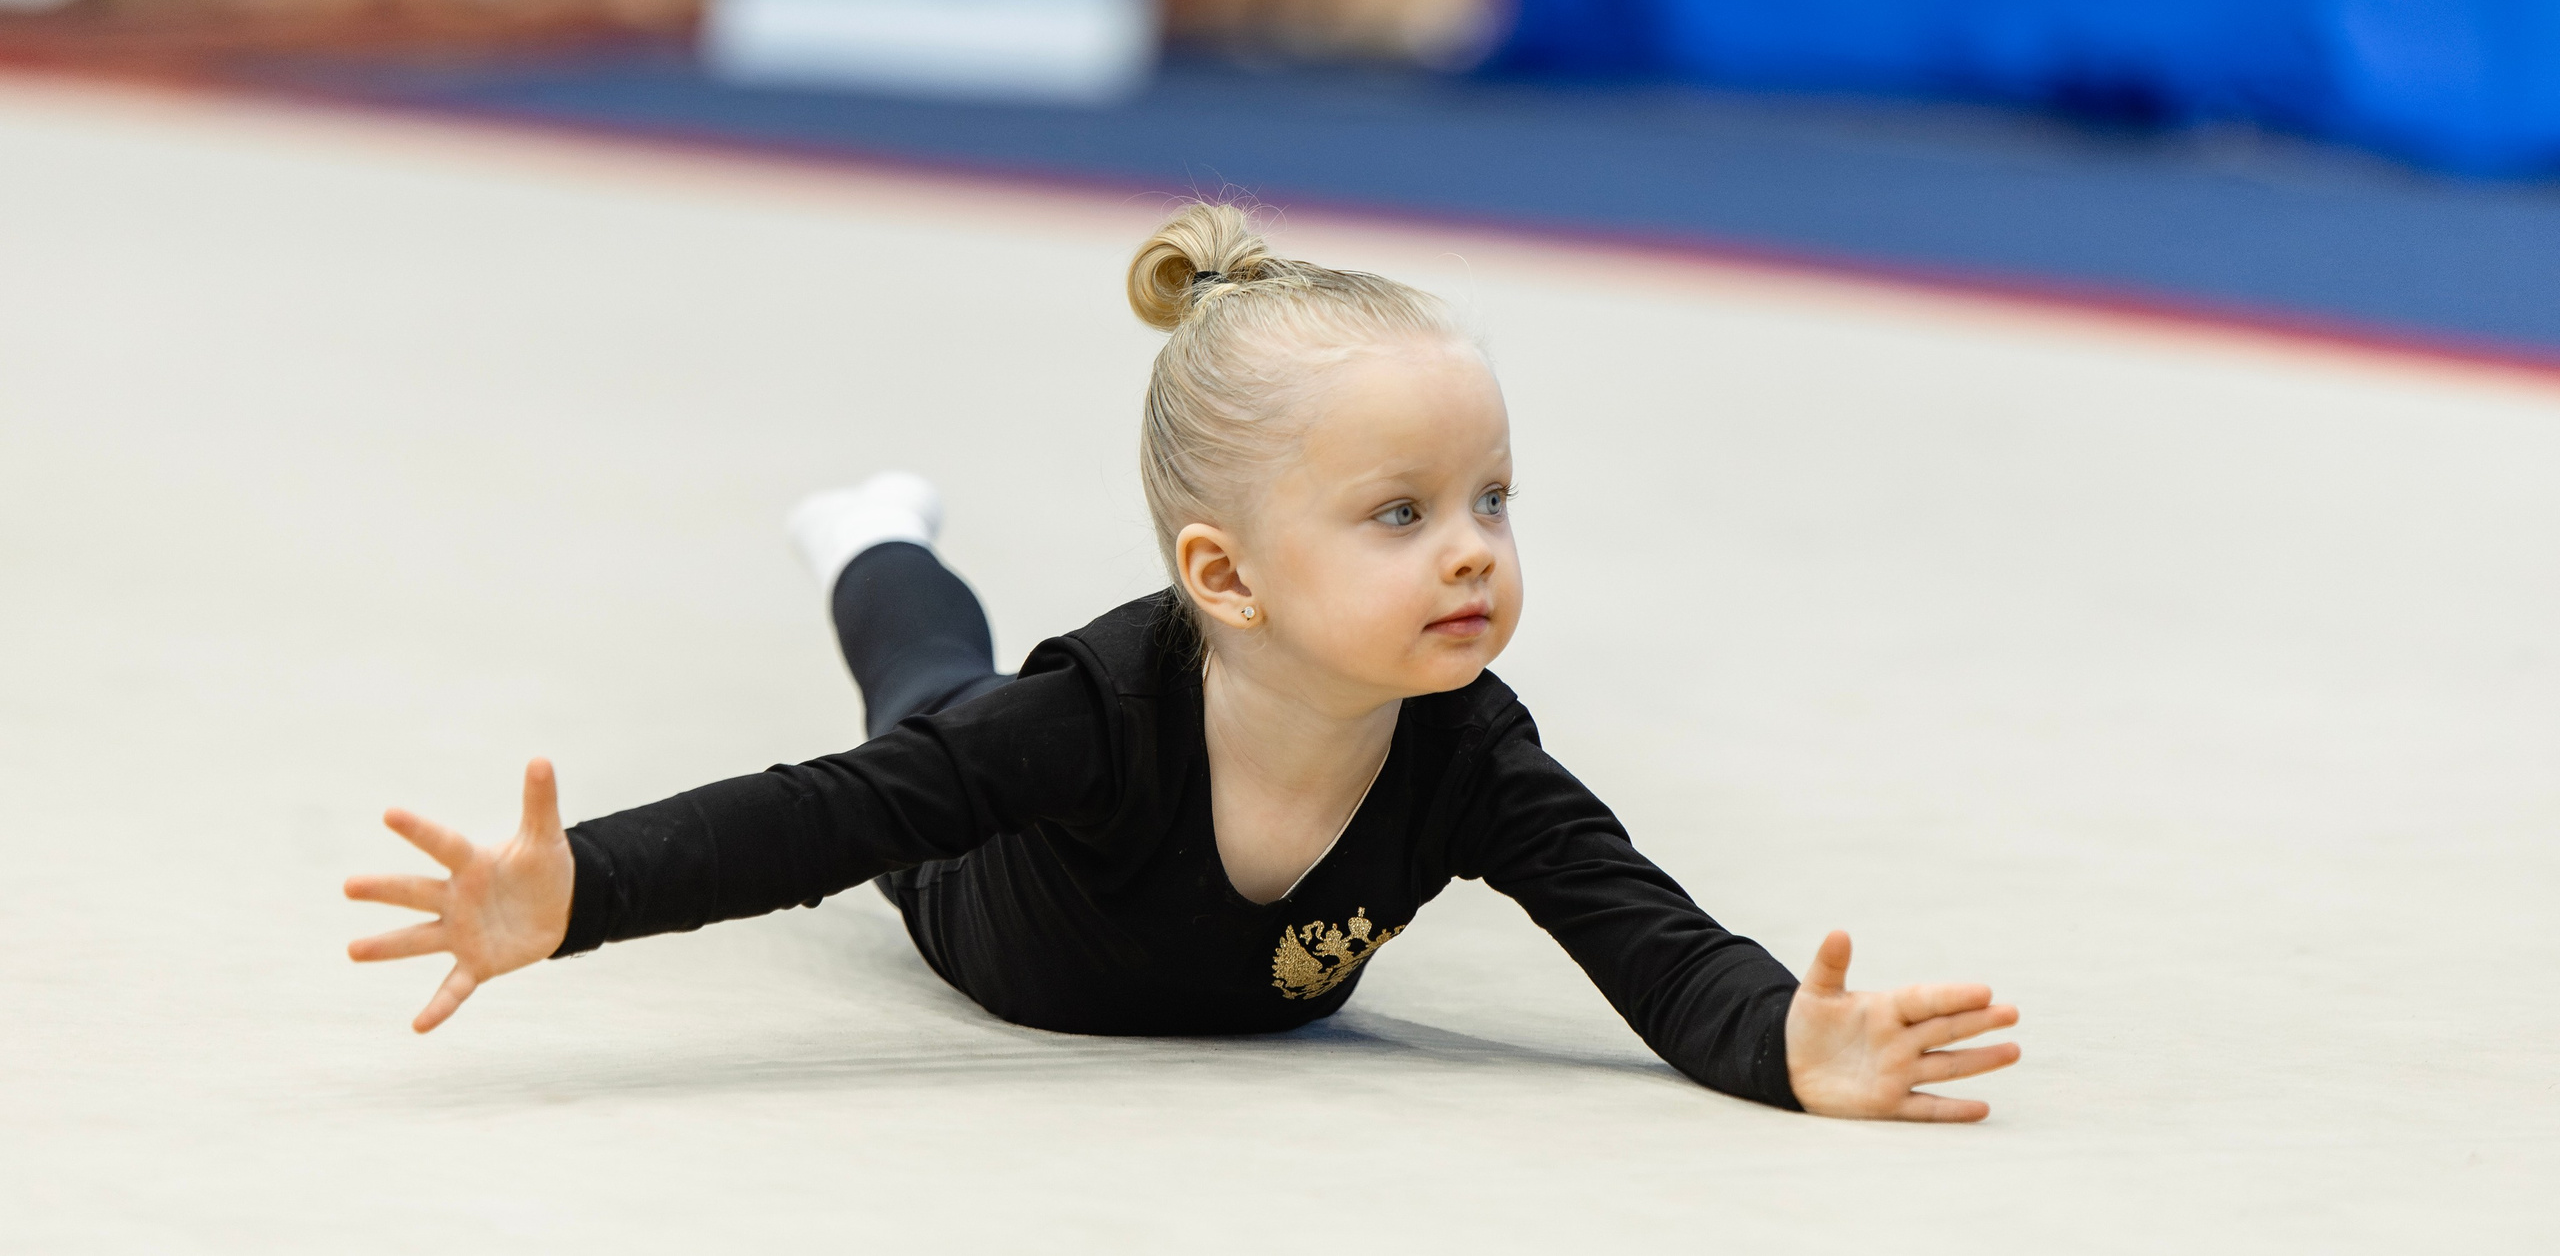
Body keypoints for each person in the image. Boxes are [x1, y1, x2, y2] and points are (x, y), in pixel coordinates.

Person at [345, 202, 2021, 1119]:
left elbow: (1647, 934)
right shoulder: (1094, 724)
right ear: (1222, 576)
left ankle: (883, 539)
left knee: (944, 703)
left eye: (1493, 500)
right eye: (1401, 512)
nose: (1471, 549)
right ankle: (872, 537)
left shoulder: (1470, 750)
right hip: (985, 891)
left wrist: (1789, 1048)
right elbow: (825, 819)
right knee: (928, 706)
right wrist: (572, 901)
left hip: (1109, 882)